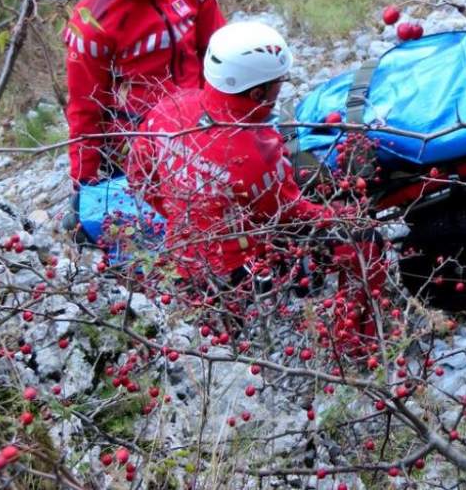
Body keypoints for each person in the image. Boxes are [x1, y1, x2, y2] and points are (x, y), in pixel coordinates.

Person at [125, 22, 384, 351]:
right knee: (364, 239)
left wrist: (190, 215)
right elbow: (291, 215)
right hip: (240, 269)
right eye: (277, 86)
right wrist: (345, 214)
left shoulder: (168, 109)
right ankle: (355, 344)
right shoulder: (257, 149)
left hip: (184, 256)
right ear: (257, 93)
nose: (279, 93)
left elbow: (139, 177)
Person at [62, 0, 226, 224]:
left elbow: (219, 53)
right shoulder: (93, 23)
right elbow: (86, 109)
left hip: (207, 121)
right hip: (146, 147)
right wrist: (85, 185)